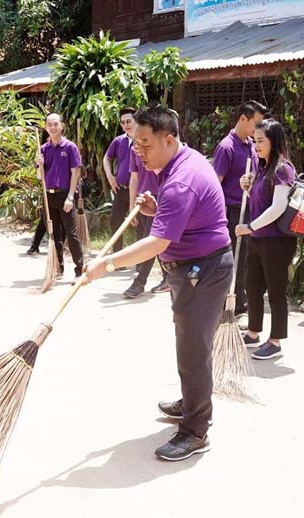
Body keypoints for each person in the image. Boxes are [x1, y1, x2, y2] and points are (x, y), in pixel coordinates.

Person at [82, 106, 232, 461]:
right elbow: (181, 214)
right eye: (135, 144)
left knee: (193, 350)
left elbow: (157, 243)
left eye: (145, 144)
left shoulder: (181, 179)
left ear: (169, 139)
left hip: (202, 270)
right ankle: (193, 402)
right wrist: (156, 207)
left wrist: (107, 263)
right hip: (197, 267)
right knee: (192, 345)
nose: (139, 152)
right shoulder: (183, 161)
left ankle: (195, 431)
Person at [235, 119, 297, 360]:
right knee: (252, 286)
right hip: (258, 239)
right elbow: (260, 201)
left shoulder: (283, 169)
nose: (256, 146)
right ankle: (253, 333)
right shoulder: (262, 168)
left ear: (274, 141)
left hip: (276, 241)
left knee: (275, 291)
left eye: (261, 141)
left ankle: (275, 341)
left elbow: (278, 208)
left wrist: (249, 227)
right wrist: (247, 188)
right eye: (255, 141)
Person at [211, 101, 266, 327]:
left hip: (251, 208)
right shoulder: (226, 148)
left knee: (246, 259)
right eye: (256, 123)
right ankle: (227, 303)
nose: (258, 128)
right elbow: (215, 185)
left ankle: (241, 301)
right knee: (233, 258)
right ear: (243, 119)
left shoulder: (251, 145)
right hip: (233, 211)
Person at [35, 113, 84, 278]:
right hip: (49, 196)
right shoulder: (43, 149)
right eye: (49, 124)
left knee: (71, 233)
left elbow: (75, 173)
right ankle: (58, 268)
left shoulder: (70, 147)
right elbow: (39, 177)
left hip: (65, 195)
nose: (53, 127)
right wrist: (40, 165)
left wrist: (70, 197)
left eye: (55, 124)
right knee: (54, 234)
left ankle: (80, 269)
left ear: (62, 126)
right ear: (46, 127)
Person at [123, 142, 167, 297]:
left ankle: (139, 282)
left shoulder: (158, 144)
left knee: (150, 240)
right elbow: (134, 178)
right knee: (150, 239)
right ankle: (168, 277)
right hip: (142, 198)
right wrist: (131, 207)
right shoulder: (134, 149)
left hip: (159, 197)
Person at [103, 108, 136, 255]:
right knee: (115, 223)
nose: (126, 125)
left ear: (136, 121)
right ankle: (117, 258)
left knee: (139, 225)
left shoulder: (143, 140)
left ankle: (141, 261)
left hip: (138, 191)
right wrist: (110, 175)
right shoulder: (118, 141)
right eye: (123, 122)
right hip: (121, 190)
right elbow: (107, 158)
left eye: (129, 121)